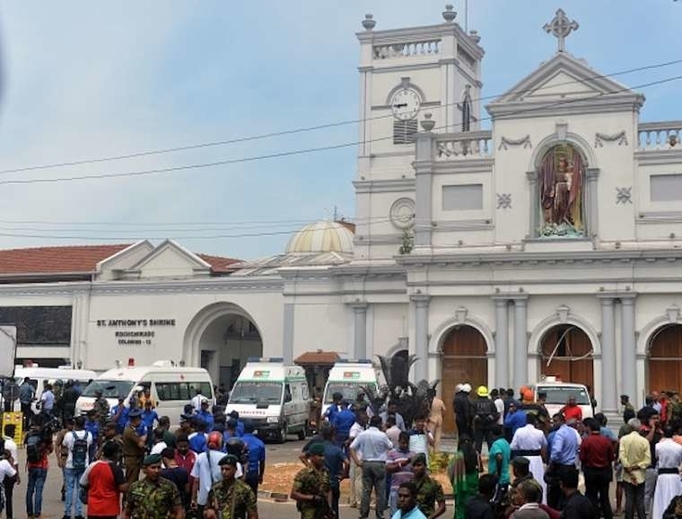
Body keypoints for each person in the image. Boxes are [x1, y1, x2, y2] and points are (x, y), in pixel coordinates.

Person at [350, 414, 393, 519]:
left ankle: (363, 514)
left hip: (367, 463)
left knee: (366, 491)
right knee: (380, 491)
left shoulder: (363, 434)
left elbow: (352, 447)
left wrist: (357, 461)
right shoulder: (382, 435)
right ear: (379, 424)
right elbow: (390, 446)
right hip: (379, 464)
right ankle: (380, 514)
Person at [191, 431, 241, 518]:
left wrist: (193, 498)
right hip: (222, 500)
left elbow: (196, 480)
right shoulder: (227, 458)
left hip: (203, 500)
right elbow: (238, 479)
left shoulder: (200, 457)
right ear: (221, 443)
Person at [124, 453, 183, 519]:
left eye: (159, 467)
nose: (156, 471)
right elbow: (127, 512)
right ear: (144, 469)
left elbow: (178, 511)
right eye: (153, 468)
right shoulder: (135, 487)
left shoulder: (169, 486)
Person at [79, 440, 127, 519]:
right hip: (109, 509)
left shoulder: (92, 466)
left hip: (93, 509)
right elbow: (122, 488)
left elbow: (82, 483)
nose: (120, 455)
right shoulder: (116, 469)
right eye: (119, 453)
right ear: (115, 454)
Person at [579, 418, 614, 519]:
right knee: (604, 498)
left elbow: (582, 457)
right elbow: (611, 457)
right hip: (604, 471)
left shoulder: (586, 441)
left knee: (591, 497)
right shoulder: (606, 441)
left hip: (591, 471)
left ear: (589, 428)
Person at [204, 454, 258, 519]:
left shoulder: (244, 489)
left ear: (235, 470)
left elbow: (253, 515)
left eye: (227, 469)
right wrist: (208, 512)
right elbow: (206, 508)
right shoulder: (215, 488)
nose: (224, 472)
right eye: (222, 469)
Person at [290, 442, 333, 519]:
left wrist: (329, 506)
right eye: (319, 456)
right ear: (312, 457)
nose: (323, 458)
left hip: (323, 509)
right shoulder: (304, 474)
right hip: (309, 510)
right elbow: (293, 494)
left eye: (323, 455)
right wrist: (312, 498)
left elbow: (329, 489)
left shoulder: (325, 471)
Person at [510, 414, 547, 501]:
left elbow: (513, 446)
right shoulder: (539, 432)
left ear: (525, 421)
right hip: (537, 459)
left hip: (523, 458)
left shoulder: (519, 431)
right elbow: (545, 445)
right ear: (535, 421)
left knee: (523, 479)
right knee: (538, 480)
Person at [619, 418, 650, 519]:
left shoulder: (624, 439)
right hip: (640, 474)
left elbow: (622, 456)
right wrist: (637, 466)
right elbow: (648, 460)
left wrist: (628, 468)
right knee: (639, 500)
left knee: (629, 500)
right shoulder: (644, 441)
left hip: (628, 474)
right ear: (639, 428)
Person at [63, 415, 93, 519]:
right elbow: (90, 446)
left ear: (75, 424)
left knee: (69, 489)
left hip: (70, 464)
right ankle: (78, 513)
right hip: (84, 464)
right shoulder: (89, 435)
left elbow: (65, 445)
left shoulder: (69, 435)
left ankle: (67, 513)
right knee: (80, 489)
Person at [546, 413, 578, 510]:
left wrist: (551, 464)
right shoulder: (572, 432)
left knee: (555, 494)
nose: (554, 423)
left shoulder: (560, 433)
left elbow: (556, 451)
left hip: (561, 467)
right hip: (571, 466)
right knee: (569, 493)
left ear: (562, 421)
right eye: (553, 421)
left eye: (556, 421)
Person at [652, 426, 682, 519]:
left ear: (663, 433)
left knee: (661, 498)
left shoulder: (658, 446)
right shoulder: (679, 447)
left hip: (663, 476)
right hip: (674, 476)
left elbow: (657, 458)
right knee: (674, 495)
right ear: (674, 434)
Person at [448, 434, 479, 519]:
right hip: (473, 481)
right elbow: (480, 469)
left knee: (460, 507)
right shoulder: (475, 453)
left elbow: (451, 470)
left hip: (461, 484)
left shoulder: (458, 456)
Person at [387, 431, 416, 516]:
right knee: (395, 513)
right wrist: (401, 464)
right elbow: (388, 468)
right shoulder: (392, 453)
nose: (405, 445)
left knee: (408, 514)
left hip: (409, 491)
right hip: (396, 489)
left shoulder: (413, 454)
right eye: (403, 443)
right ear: (398, 441)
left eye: (407, 443)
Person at [411, 453, 446, 519]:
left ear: (425, 466)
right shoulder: (409, 484)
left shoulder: (434, 484)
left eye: (419, 465)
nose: (416, 468)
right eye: (414, 465)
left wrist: (430, 517)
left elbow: (442, 506)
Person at [488, 425, 511, 511]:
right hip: (506, 477)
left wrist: (498, 472)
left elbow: (499, 456)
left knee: (495, 503)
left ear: (492, 434)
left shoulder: (496, 444)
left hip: (498, 479)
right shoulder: (506, 443)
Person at [160, 447, 190, 512]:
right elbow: (187, 489)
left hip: (167, 505)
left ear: (164, 459)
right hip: (181, 503)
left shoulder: (163, 473)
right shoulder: (183, 471)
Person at [348, 411, 368, 508]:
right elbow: (351, 444)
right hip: (357, 457)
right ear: (359, 419)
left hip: (358, 457)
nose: (366, 420)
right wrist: (356, 460)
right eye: (364, 418)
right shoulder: (355, 429)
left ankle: (353, 500)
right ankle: (359, 501)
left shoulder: (362, 428)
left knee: (354, 478)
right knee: (359, 480)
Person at [241, 421, 266, 496]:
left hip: (240, 473)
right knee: (252, 496)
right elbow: (262, 462)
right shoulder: (259, 443)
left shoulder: (238, 440)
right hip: (253, 474)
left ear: (243, 429)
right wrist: (261, 476)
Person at [122, 408, 147, 486]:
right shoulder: (130, 432)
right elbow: (141, 444)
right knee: (131, 482)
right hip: (132, 460)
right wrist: (145, 435)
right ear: (136, 419)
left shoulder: (131, 430)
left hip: (133, 459)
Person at [472, 386, 500, 454]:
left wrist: (477, 418)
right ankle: (492, 457)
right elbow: (496, 414)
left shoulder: (474, 403)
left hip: (479, 426)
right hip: (489, 426)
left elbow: (471, 413)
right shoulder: (491, 402)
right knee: (490, 444)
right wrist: (490, 418)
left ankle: (477, 459)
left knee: (478, 444)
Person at [55, 417, 74, 503]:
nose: (72, 426)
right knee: (66, 477)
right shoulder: (63, 433)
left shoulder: (75, 433)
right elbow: (57, 445)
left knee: (71, 478)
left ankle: (65, 490)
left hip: (74, 457)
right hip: (65, 457)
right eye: (70, 424)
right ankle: (66, 493)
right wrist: (58, 459)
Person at [2, 424, 19, 519]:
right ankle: (9, 516)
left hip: (1, 471)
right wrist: (17, 475)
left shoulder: (2, 442)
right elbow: (15, 462)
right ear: (12, 432)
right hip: (9, 472)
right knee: (9, 496)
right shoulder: (12, 444)